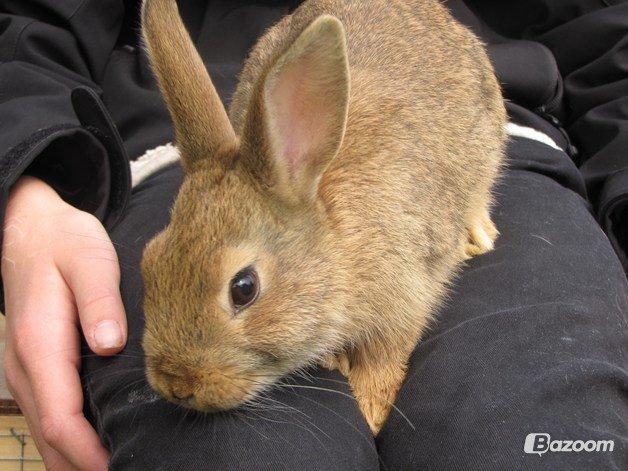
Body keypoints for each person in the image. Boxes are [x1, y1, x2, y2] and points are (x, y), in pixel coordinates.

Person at [1, 0, 626, 469]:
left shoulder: (372, 235)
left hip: (491, 145)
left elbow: (608, 36)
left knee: (536, 433)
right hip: (182, 155)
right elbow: (25, 25)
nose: (177, 379)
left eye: (243, 291)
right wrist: (24, 187)